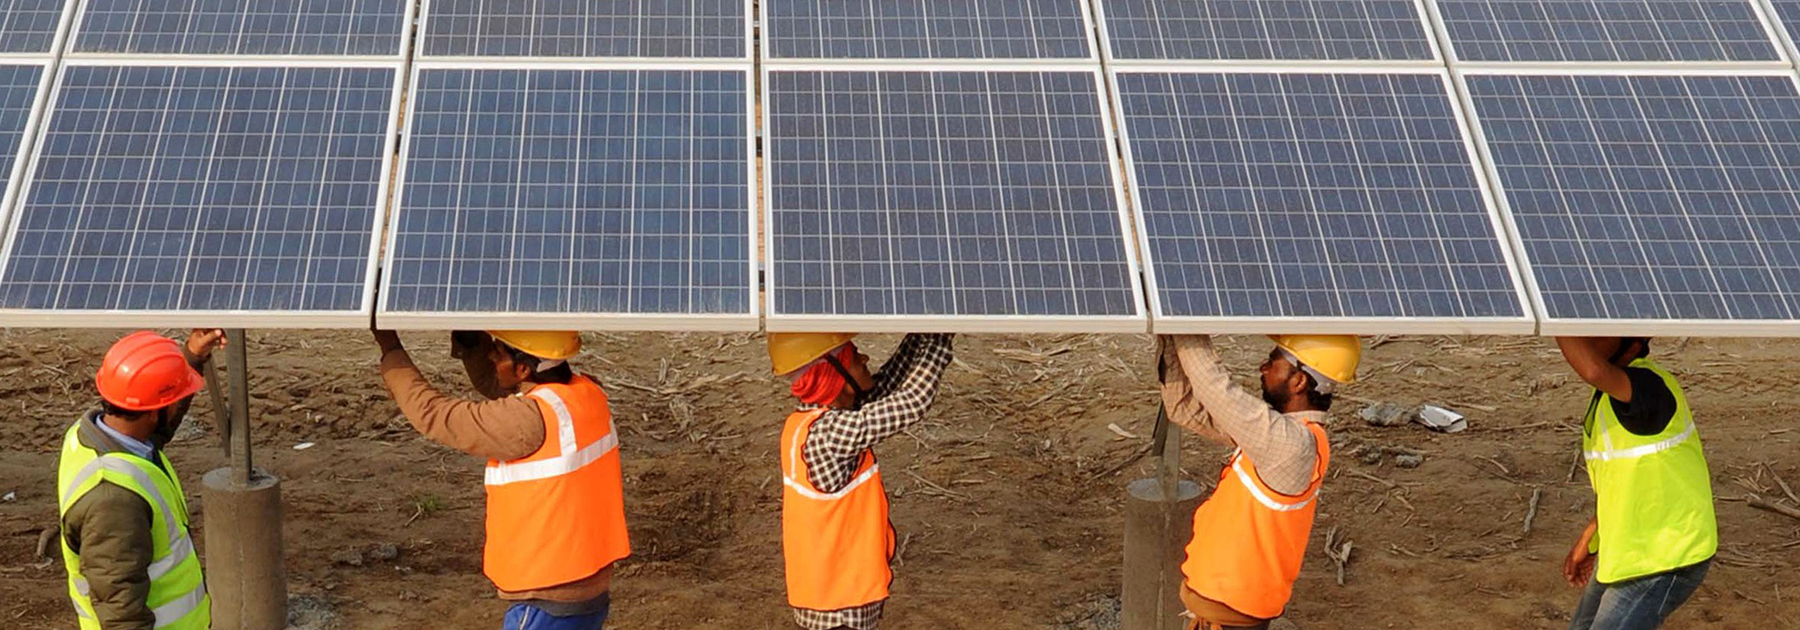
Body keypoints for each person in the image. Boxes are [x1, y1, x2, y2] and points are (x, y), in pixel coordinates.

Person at [372, 329, 628, 630]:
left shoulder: (529, 420)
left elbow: (434, 414)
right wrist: (471, 341)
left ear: (523, 369)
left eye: (499, 351)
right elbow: (503, 388)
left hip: (547, 598)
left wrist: (390, 346)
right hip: (584, 587)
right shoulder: (584, 395)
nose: (492, 355)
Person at [1157, 334, 1361, 630]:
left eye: (1274, 361)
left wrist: (1180, 320)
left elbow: (1216, 389)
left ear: (1299, 381)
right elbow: (1185, 407)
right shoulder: (1285, 438)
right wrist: (1167, 336)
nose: (1263, 367)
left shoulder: (1291, 447)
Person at [770, 332, 954, 630]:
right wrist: (942, 336)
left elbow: (884, 389)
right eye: (854, 357)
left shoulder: (809, 424)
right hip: (840, 608)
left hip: (829, 598)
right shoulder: (829, 436)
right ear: (833, 374)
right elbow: (911, 403)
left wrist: (928, 329)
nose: (865, 359)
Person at [58, 329, 225, 630]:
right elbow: (121, 609)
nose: (180, 402)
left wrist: (192, 356)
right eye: (176, 399)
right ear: (153, 412)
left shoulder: (93, 434)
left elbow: (158, 427)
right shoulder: (113, 500)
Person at [1556, 337, 1715, 630]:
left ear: (1631, 345)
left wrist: (1552, 320)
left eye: (1599, 332)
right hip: (1633, 553)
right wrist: (1589, 539)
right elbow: (1624, 483)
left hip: (1666, 556)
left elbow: (1593, 370)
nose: (1587, 337)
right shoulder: (1611, 397)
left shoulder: (1646, 388)